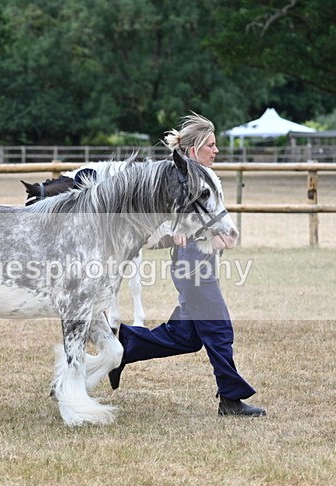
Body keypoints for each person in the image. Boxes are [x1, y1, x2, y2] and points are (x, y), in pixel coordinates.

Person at [110, 113, 266, 417]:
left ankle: (124, 347)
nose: (216, 150)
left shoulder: (203, 177)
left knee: (186, 336)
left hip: (200, 261)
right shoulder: (183, 181)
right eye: (210, 145)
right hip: (193, 265)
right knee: (219, 330)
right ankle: (231, 400)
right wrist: (182, 234)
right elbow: (166, 222)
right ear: (193, 151)